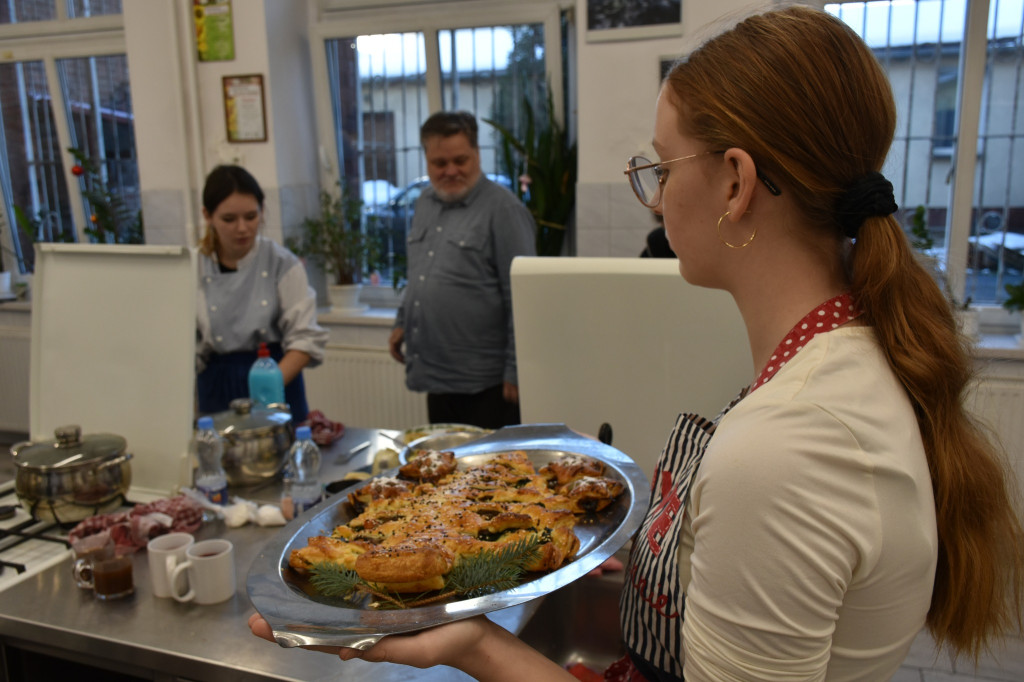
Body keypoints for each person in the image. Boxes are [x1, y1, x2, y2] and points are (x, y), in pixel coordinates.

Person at [250, 7, 1023, 680]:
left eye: (658, 166)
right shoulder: (840, 361)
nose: (651, 195)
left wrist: (476, 649)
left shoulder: (785, 448)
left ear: (735, 183)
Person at [387, 111, 536, 429]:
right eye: (439, 164)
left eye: (461, 160)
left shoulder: (505, 210)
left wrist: (516, 370)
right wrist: (403, 322)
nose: (451, 171)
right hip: (436, 379)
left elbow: (524, 299)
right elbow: (420, 273)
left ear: (477, 155)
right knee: (444, 475)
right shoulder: (425, 203)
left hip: (488, 386)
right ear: (426, 160)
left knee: (489, 478)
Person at [195, 165, 328, 424]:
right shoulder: (193, 269)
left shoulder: (281, 263)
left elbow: (305, 340)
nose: (242, 228)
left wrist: (266, 386)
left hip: (276, 382)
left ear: (262, 211)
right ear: (207, 216)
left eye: (251, 216)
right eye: (229, 219)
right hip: (216, 390)